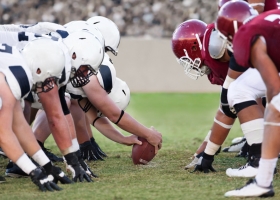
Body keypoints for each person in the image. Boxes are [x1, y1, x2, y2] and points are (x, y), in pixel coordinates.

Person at [215, 1, 280, 197]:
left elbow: (274, 88)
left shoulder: (247, 34)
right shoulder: (268, 19)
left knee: (274, 108)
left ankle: (262, 180)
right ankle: (262, 180)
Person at [0, 36, 72, 191]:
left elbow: (21, 126)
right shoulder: (15, 78)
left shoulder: (20, 70)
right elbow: (4, 134)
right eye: (48, 80)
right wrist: (33, 171)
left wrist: (47, 166)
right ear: (38, 70)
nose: (50, 86)